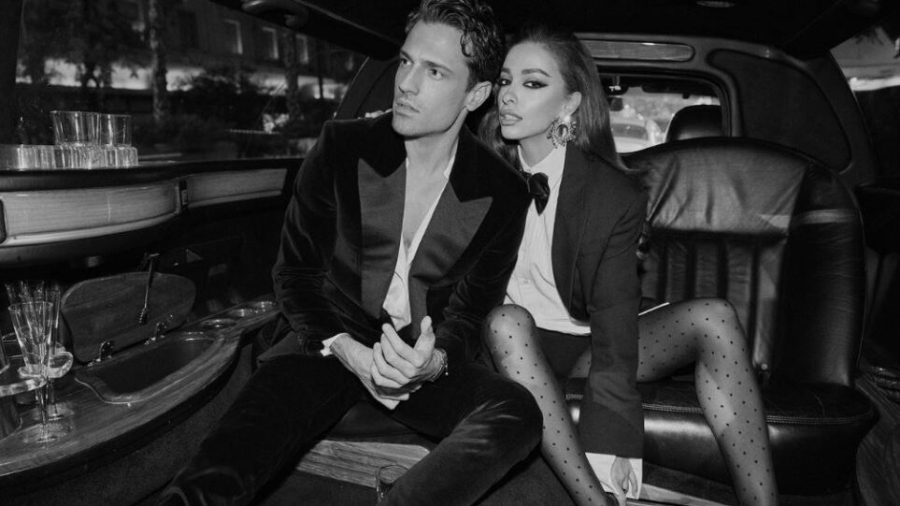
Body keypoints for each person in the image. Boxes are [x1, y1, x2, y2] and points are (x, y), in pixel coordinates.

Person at [155, 1, 542, 505]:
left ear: (477, 94)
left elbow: (470, 313)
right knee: (219, 468)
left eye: (434, 71)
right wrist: (346, 349)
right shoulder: (342, 146)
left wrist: (432, 362)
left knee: (518, 412)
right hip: (327, 338)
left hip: (414, 357)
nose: (406, 84)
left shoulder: (504, 193)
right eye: (406, 62)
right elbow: (295, 275)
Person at [479, 24, 778, 506]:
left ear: (569, 104)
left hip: (587, 343)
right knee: (506, 321)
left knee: (716, 316)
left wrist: (614, 442)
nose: (509, 95)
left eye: (532, 83)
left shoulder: (610, 194)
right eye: (505, 81)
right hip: (508, 343)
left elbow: (615, 326)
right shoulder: (479, 171)